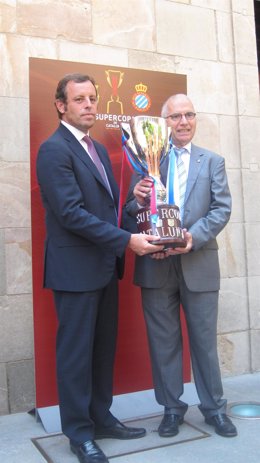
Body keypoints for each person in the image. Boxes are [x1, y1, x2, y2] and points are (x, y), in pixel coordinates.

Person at [36, 73, 163, 463]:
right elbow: (71, 214)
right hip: (75, 273)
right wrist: (127, 241)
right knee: (76, 355)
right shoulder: (54, 150)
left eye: (93, 98)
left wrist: (137, 207)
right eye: (80, 100)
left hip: (105, 267)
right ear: (62, 106)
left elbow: (107, 210)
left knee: (102, 349)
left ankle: (101, 418)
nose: (89, 105)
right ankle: (78, 432)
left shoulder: (94, 148)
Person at [124, 94, 238, 439]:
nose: (184, 121)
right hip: (156, 264)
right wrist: (138, 199)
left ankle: (214, 409)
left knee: (204, 342)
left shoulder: (212, 161)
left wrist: (193, 236)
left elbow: (222, 209)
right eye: (175, 117)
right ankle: (172, 410)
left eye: (189, 114)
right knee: (164, 342)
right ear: (164, 123)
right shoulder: (145, 162)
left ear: (195, 119)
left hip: (198, 262)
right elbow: (130, 211)